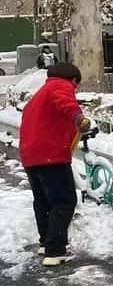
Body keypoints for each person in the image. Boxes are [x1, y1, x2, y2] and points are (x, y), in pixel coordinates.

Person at [18, 63, 92, 267]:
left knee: (43, 202)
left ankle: (45, 243)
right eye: (76, 84)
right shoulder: (60, 86)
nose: (75, 89)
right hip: (51, 155)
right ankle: (56, 251)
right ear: (73, 79)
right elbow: (67, 104)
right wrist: (79, 119)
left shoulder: (41, 93)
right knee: (64, 201)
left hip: (31, 155)